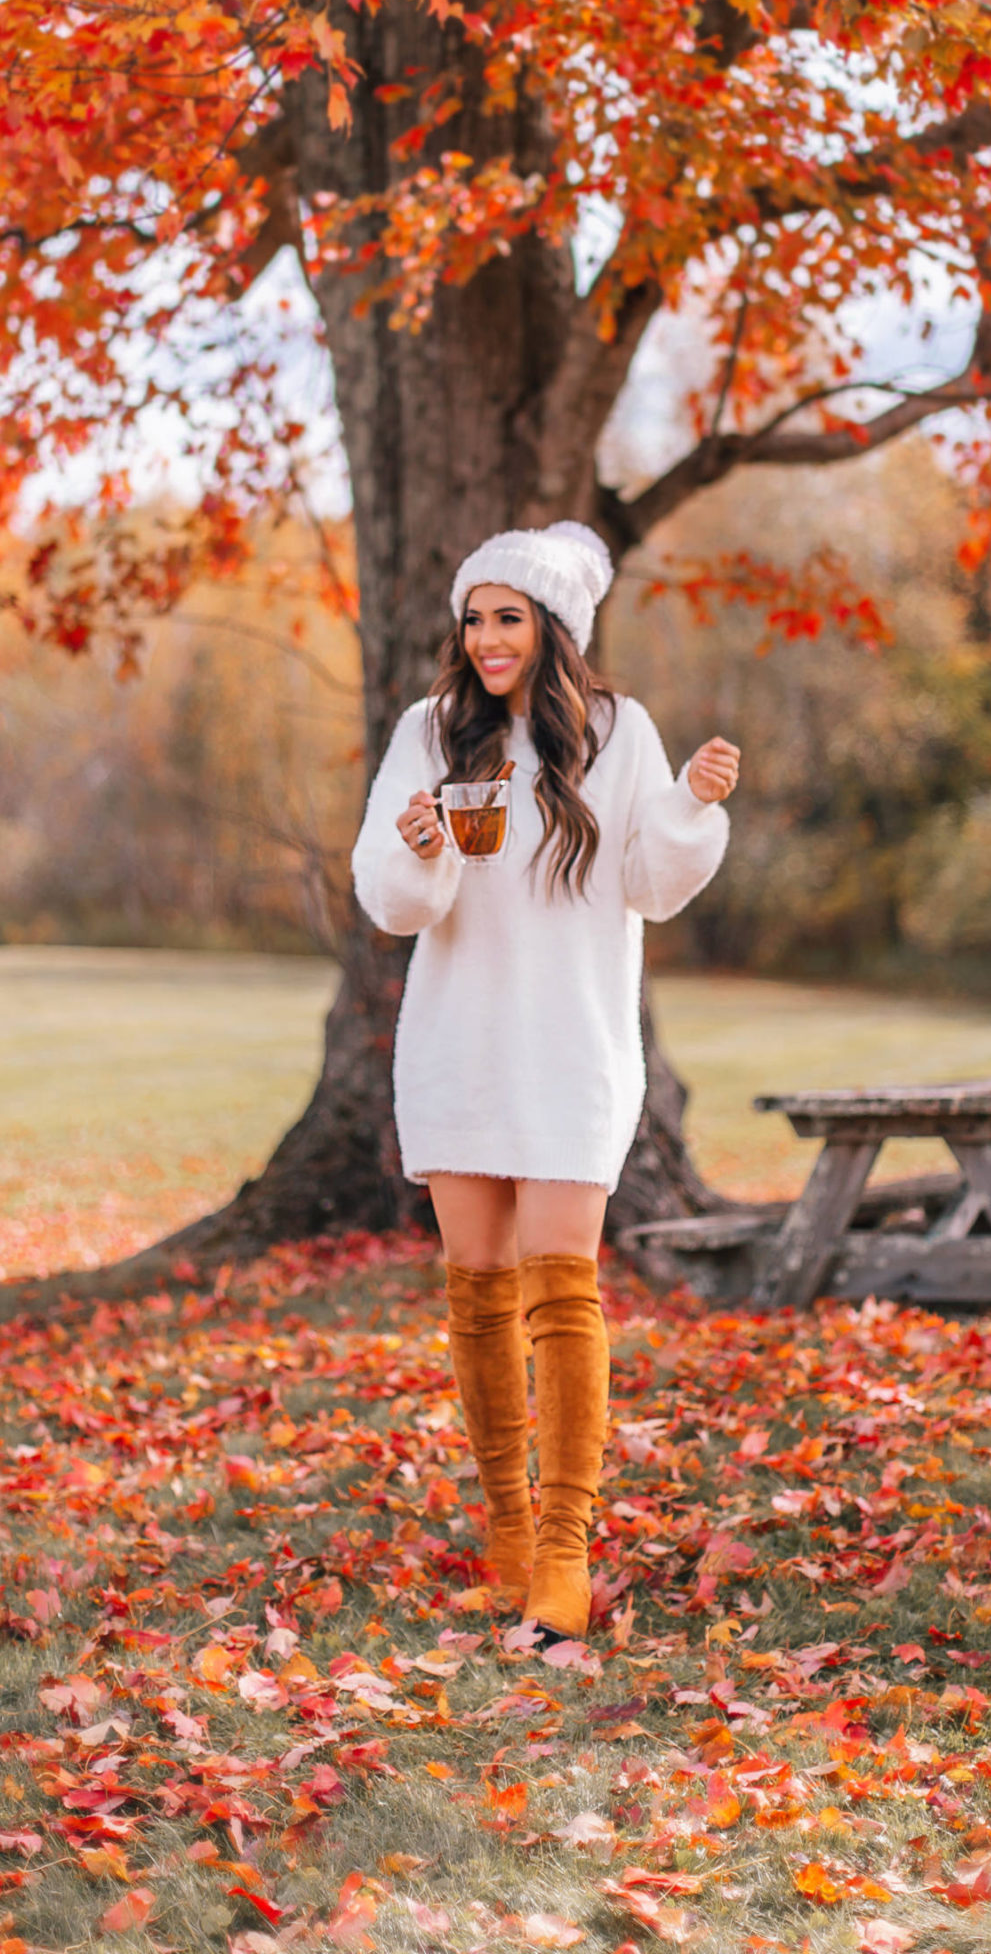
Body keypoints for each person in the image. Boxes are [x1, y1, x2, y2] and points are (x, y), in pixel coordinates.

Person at [351, 520, 739, 1646]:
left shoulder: (618, 734)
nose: (483, 639)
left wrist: (693, 802)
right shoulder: (426, 735)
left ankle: (565, 1559)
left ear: (555, 628)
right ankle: (509, 1539)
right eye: (472, 619)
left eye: (507, 617)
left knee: (562, 1295)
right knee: (477, 1292)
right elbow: (391, 897)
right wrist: (419, 843)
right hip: (461, 1038)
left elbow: (650, 879)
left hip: (570, 1043)